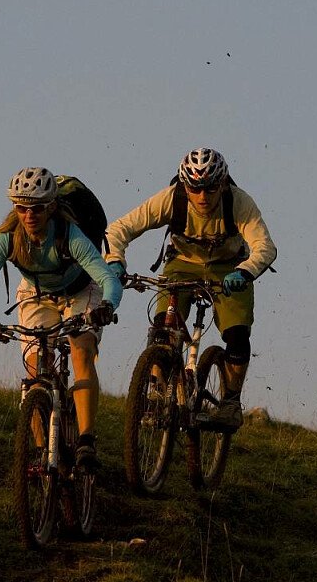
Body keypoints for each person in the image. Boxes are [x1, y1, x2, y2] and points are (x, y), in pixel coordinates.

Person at [0, 167, 123, 470]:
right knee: (36, 370)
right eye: (21, 207)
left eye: (36, 208)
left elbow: (108, 279)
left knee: (81, 350)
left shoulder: (70, 235)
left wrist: (107, 306)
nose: (29, 215)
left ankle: (86, 441)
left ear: (51, 207)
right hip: (36, 294)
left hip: (81, 291)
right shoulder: (7, 238)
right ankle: (40, 451)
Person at [105, 147, 276, 429]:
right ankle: (158, 394)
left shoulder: (239, 202)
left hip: (229, 268)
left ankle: (231, 402)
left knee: (236, 335)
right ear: (185, 185)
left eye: (210, 188)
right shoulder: (172, 198)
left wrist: (245, 271)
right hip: (182, 264)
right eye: (195, 189)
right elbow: (118, 229)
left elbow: (264, 246)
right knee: (163, 329)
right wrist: (114, 261)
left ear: (222, 184)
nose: (202, 196)